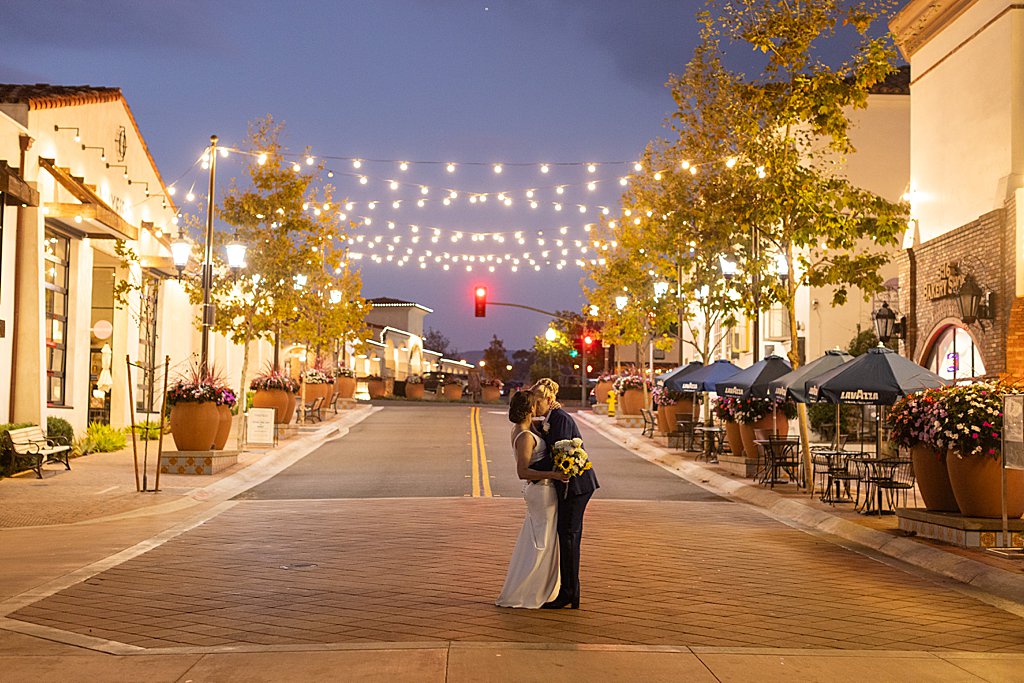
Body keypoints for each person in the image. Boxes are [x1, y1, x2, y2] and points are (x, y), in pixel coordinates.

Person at [495, 390, 570, 608]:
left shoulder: (523, 428)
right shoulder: (525, 436)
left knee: (537, 540)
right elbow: (523, 471)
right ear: (529, 409)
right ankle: (531, 591)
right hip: (541, 491)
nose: (540, 406)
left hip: (541, 491)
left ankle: (537, 588)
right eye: (536, 404)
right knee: (542, 543)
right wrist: (555, 474)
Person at [531, 378, 599, 609]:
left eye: (536, 401)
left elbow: (556, 457)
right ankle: (572, 591)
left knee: (568, 537)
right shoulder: (550, 420)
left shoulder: (560, 419)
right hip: (570, 485)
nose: (533, 406)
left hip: (576, 486)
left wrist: (529, 471)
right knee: (568, 537)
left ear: (549, 400)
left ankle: (568, 592)